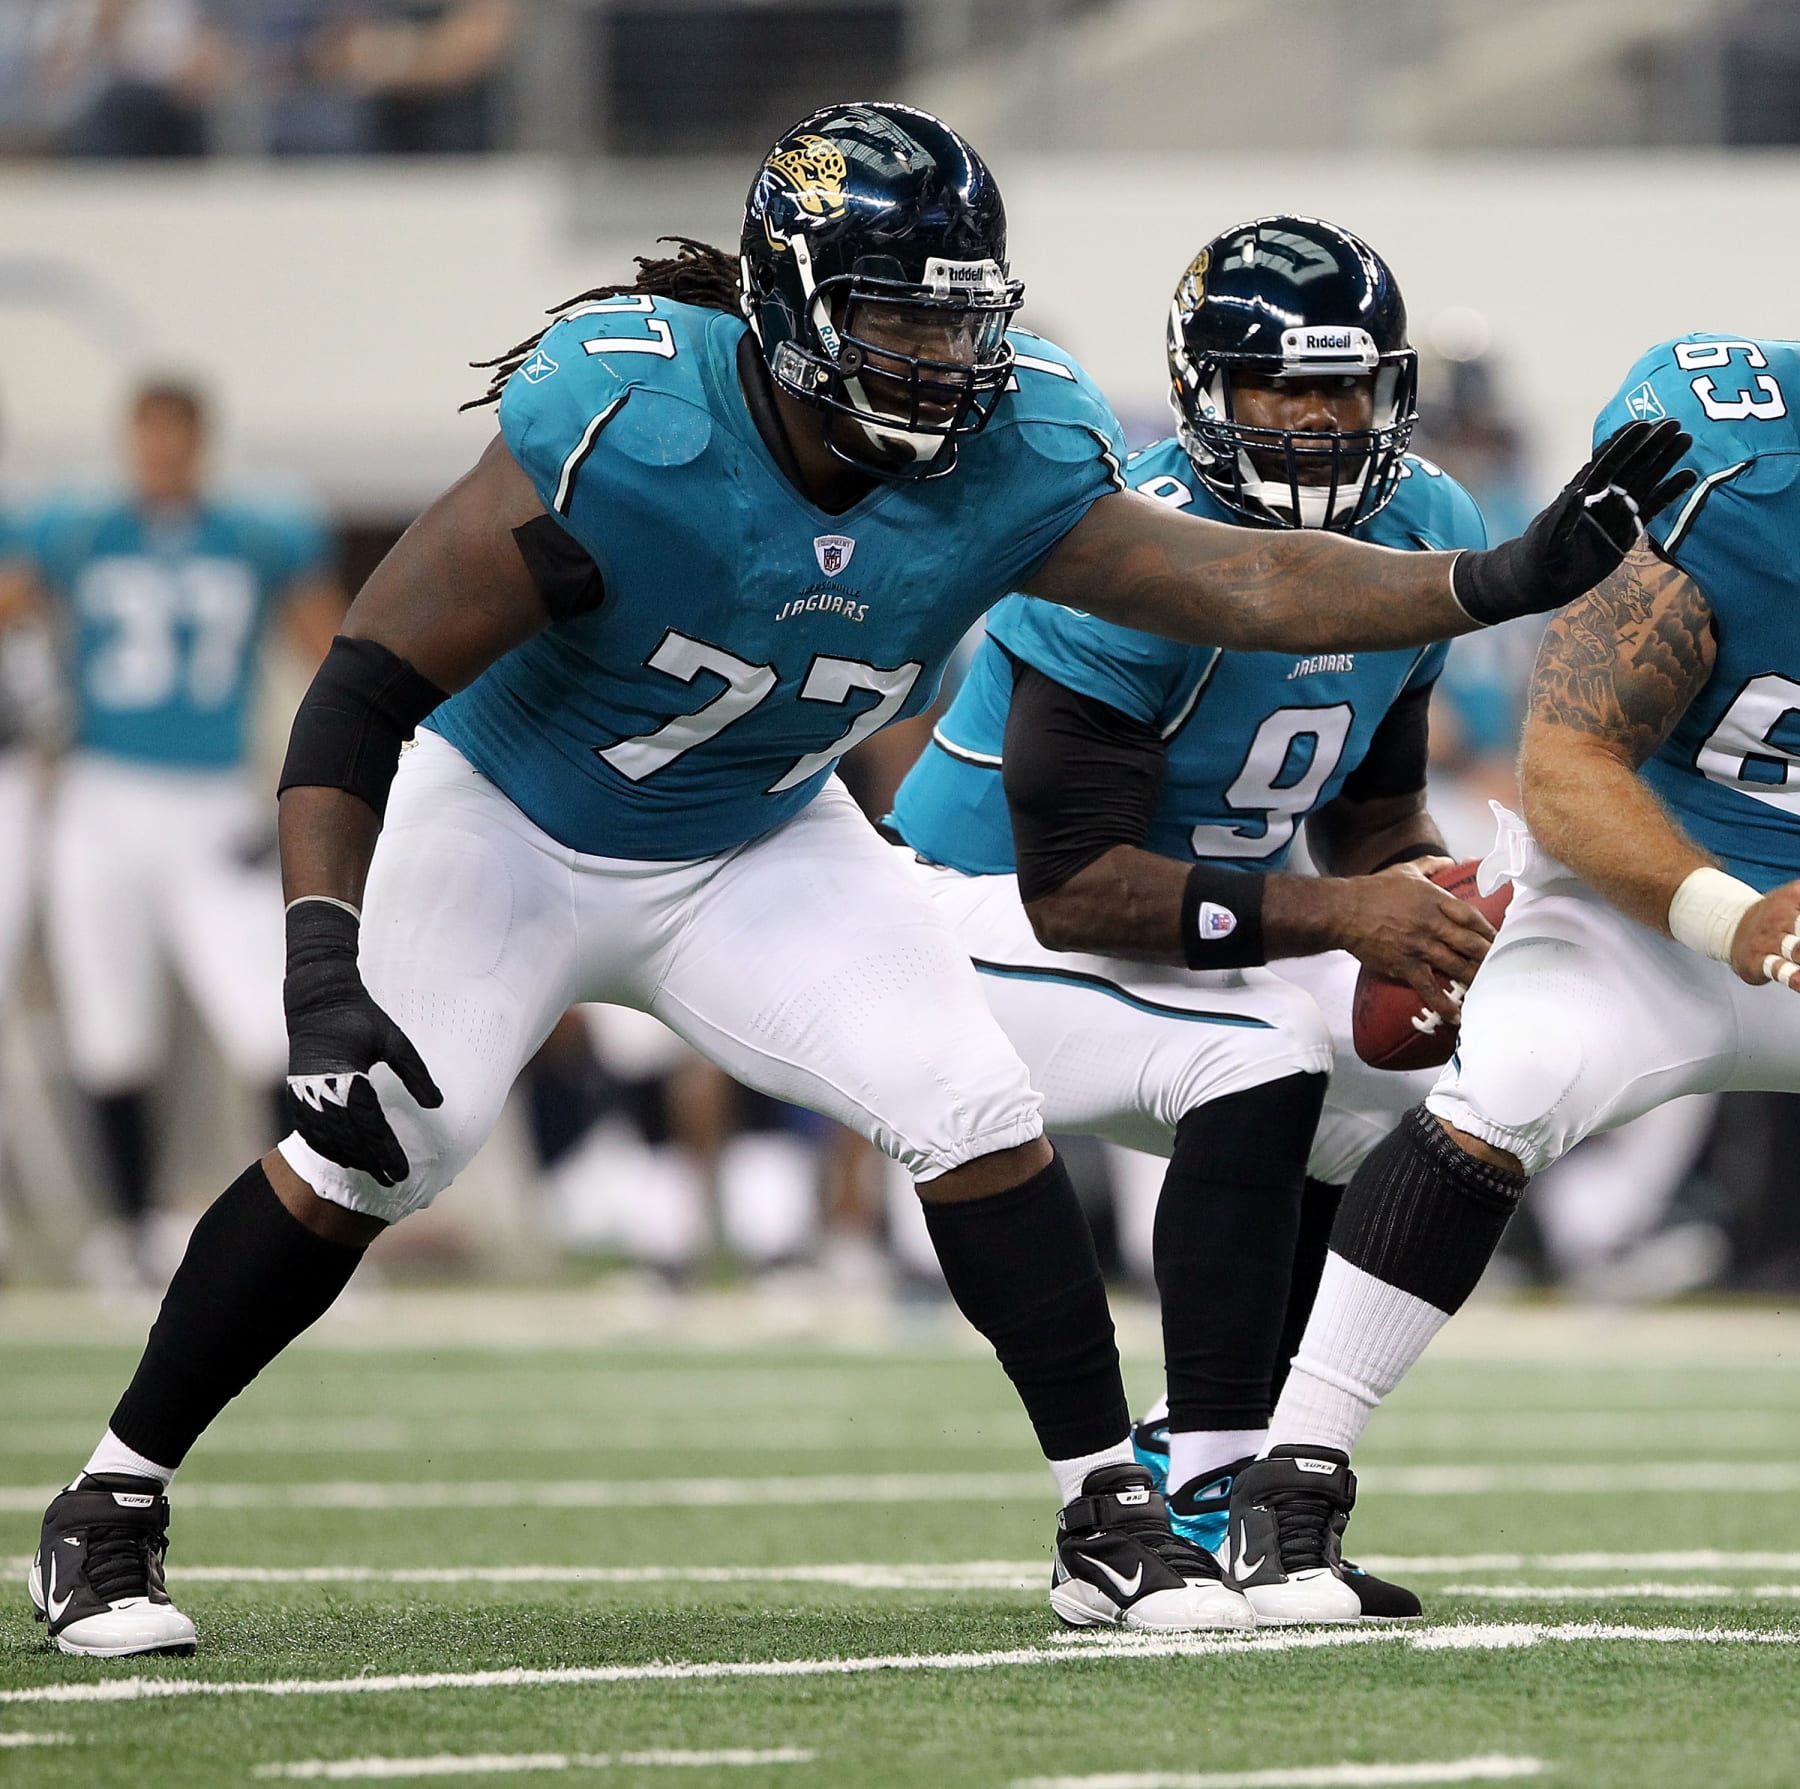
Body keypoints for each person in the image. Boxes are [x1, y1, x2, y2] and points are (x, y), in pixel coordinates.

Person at [24, 101, 1687, 1659]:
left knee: (967, 1096)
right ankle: (112, 1494)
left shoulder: (1016, 443)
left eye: (965, 317)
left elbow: (1243, 578)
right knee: (380, 1144)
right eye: (903, 317)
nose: (947, 355)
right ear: (794, 305)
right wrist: (323, 950)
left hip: (755, 827)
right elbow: (363, 685)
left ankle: (1107, 1510)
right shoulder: (628, 420)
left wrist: (1498, 575)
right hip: (515, 816)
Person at [887, 216, 1485, 1621]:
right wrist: (1344, 916)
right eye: (1287, 386)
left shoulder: (1430, 524)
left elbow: (1376, 811)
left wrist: (1441, 913)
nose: (1324, 421)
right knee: (1266, 1049)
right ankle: (1213, 1483)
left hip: (1194, 919)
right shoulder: (1134, 548)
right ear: (1208, 389)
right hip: (964, 917)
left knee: (1381, 1075)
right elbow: (1079, 883)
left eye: (1349, 388)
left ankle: (1227, 1449)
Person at [1227, 331, 1800, 1621]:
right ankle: (1292, 1478)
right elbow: (1572, 765)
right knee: (1516, 1078)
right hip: (1656, 901)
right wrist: (1736, 917)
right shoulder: (1740, 476)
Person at [14, 380, 344, 1276]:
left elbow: (332, 653)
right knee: (109, 1030)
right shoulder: (74, 527)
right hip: (101, 795)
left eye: (176, 437)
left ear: (201, 442)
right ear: (129, 441)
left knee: (268, 1026)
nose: (161, 454)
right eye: (147, 437)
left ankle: (303, 1233)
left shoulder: (259, 531)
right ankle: (127, 1229)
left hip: (210, 800)